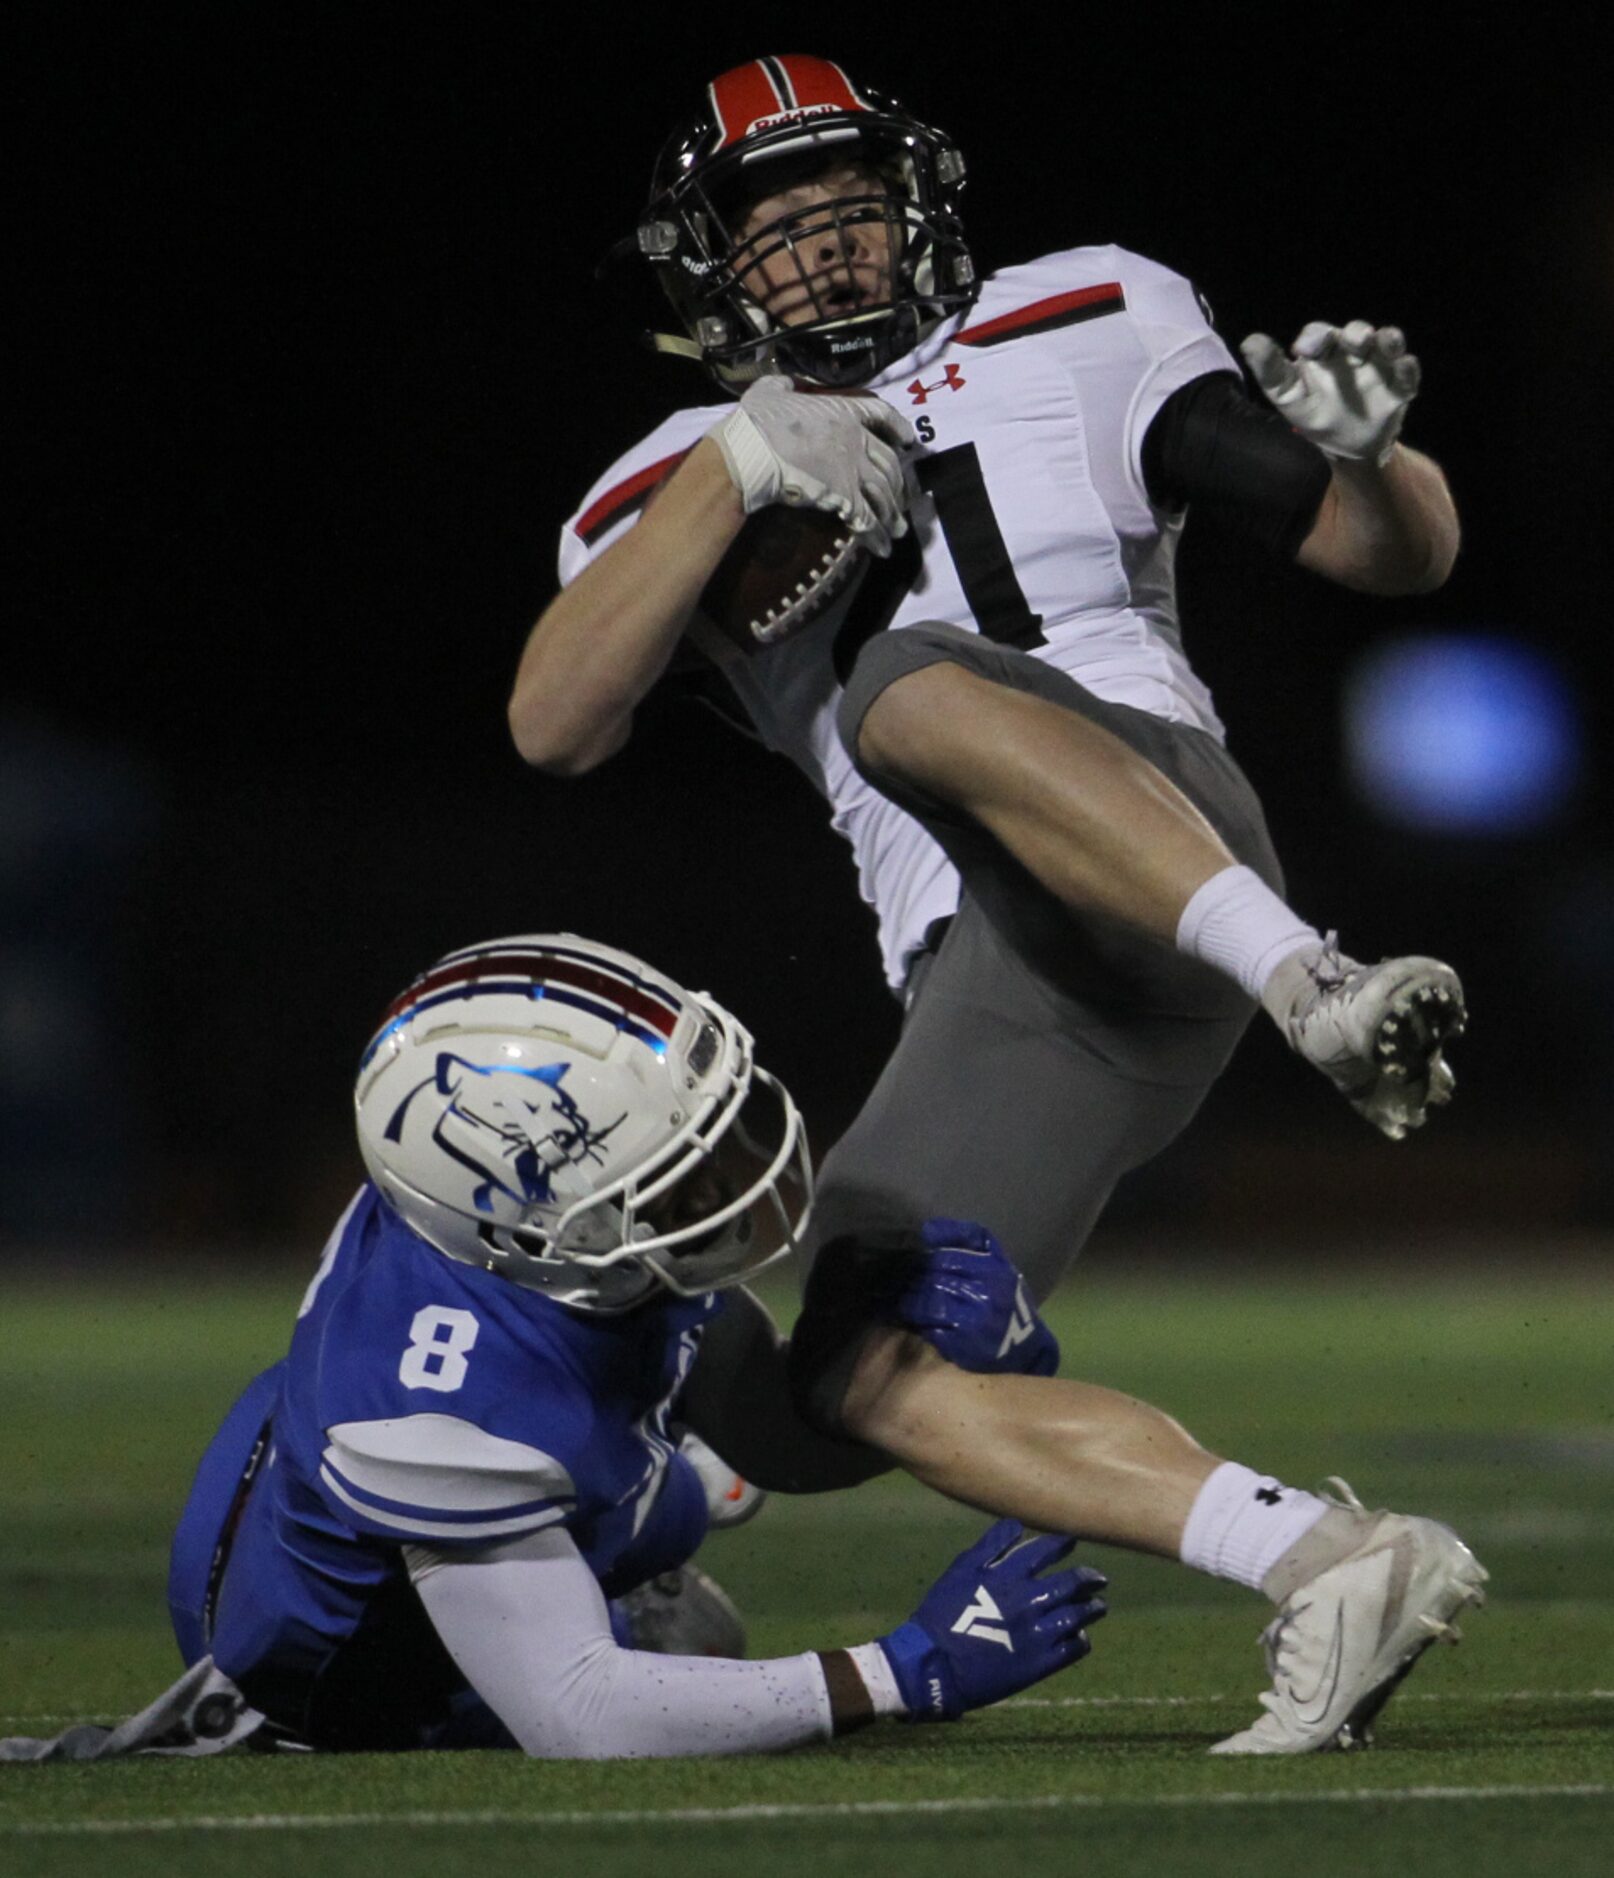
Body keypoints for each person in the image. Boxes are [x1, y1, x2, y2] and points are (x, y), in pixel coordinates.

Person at [505, 56, 1486, 1755]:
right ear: (709, 272)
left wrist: (1378, 461)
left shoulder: (1081, 312)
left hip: (1171, 847)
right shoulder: (676, 464)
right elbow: (553, 720)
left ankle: (1311, 978)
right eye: (774, 229)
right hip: (1011, 979)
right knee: (836, 1389)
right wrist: (733, 463)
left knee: (901, 683)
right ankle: (1333, 1559)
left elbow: (1380, 552)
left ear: (913, 213)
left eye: (842, 211)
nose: (819, 251)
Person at [0, 934, 1106, 1765]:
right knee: (671, 1590)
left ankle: (668, 1489)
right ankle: (658, 1500)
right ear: (520, 1219)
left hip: (367, 1440)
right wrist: (894, 1674)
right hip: (344, 1666)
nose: (730, 1188)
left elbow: (778, 1426)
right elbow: (580, 1712)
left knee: (668, 1487)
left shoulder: (529, 1238)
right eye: (680, 1175)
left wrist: (907, 1347)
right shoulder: (430, 1415)